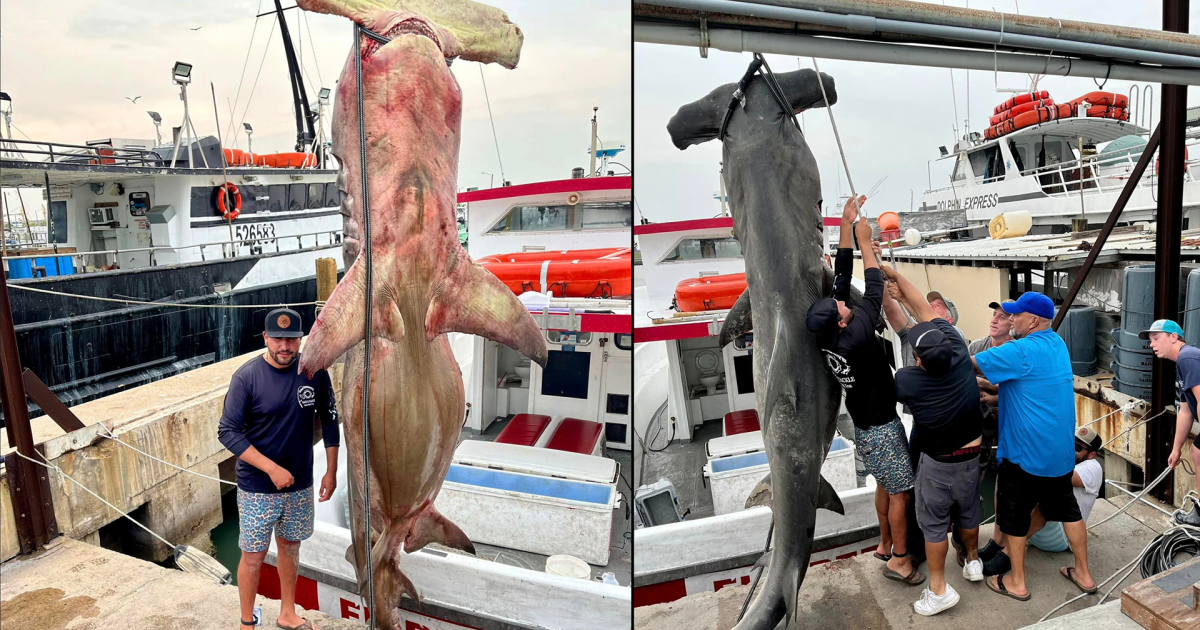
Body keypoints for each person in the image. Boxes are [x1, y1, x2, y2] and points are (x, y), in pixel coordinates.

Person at [806, 196, 922, 585]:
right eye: (841, 309)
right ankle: (900, 560)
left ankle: (885, 544)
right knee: (901, 492)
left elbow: (841, 276)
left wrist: (845, 225)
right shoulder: (855, 335)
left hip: (863, 428)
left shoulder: (827, 336)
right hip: (884, 428)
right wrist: (866, 242)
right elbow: (873, 290)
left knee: (884, 485)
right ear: (841, 323)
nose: (844, 305)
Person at [218, 308, 341, 630]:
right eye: (277, 339)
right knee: (253, 556)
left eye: (291, 339)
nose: (284, 346)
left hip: (300, 485)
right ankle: (247, 621)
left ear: (301, 340)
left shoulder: (314, 373)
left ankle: (288, 612)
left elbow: (330, 420)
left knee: (290, 548)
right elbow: (227, 432)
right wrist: (271, 469)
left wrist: (331, 471)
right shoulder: (246, 377)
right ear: (265, 338)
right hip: (257, 489)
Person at [972, 292, 1096, 600]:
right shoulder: (1058, 345)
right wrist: (996, 393)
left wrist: (932, 352)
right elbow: (1030, 386)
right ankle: (1084, 574)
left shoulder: (1021, 349)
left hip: (1025, 453)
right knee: (1068, 511)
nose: (1012, 319)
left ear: (1033, 321)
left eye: (1016, 314)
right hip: (1059, 454)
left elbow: (968, 364)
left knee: (1015, 516)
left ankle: (1017, 582)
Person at [883, 265, 985, 615]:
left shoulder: (908, 380)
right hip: (971, 457)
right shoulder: (959, 352)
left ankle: (939, 589)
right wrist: (897, 279)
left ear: (918, 360)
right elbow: (923, 310)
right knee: (969, 513)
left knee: (934, 527)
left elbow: (915, 317)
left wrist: (887, 283)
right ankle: (973, 561)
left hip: (938, 464)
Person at [1142, 319, 1200, 525]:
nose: (1152, 344)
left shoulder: (1188, 357)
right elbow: (1186, 411)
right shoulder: (1182, 363)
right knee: (1196, 452)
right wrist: (1176, 449)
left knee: (1199, 452)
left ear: (1174, 337)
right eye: (1151, 340)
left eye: (1156, 338)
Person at [1025, 427, 1105, 552]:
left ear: (1091, 454)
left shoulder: (1093, 467)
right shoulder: (1066, 459)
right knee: (1007, 479)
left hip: (1061, 537)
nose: (1071, 449)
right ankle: (1000, 540)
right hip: (1036, 532)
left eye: (1077, 448)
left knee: (1050, 493)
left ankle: (1008, 551)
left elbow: (1059, 478)